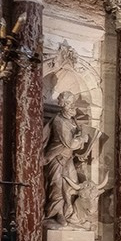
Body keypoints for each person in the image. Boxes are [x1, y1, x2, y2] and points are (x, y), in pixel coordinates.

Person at [43, 91, 89, 227]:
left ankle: (70, 214)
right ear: (62, 105)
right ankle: (57, 214)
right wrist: (82, 139)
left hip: (68, 159)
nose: (72, 106)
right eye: (69, 103)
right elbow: (69, 143)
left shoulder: (72, 120)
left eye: (73, 102)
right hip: (56, 158)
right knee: (57, 187)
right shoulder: (59, 121)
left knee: (72, 185)